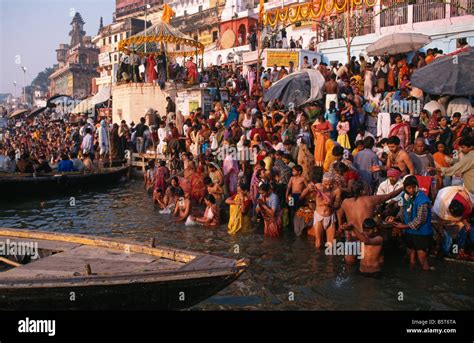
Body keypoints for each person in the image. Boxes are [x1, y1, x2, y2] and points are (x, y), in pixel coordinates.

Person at [387, 176, 433, 271]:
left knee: (422, 259)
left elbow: (421, 219)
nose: (411, 190)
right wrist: (395, 217)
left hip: (421, 233)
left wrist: (404, 226)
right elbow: (402, 211)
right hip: (409, 232)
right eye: (409, 188)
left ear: (417, 186)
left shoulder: (422, 199)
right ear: (405, 188)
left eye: (413, 187)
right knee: (410, 258)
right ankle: (413, 274)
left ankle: (426, 279)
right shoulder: (404, 196)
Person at [311, 173, 341, 248]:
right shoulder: (317, 187)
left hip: (330, 218)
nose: (328, 186)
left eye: (331, 184)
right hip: (319, 218)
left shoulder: (337, 190)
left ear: (334, 182)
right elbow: (309, 194)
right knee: (318, 243)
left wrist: (330, 204)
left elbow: (337, 206)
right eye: (326, 184)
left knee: (331, 245)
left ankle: (330, 259)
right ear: (322, 182)